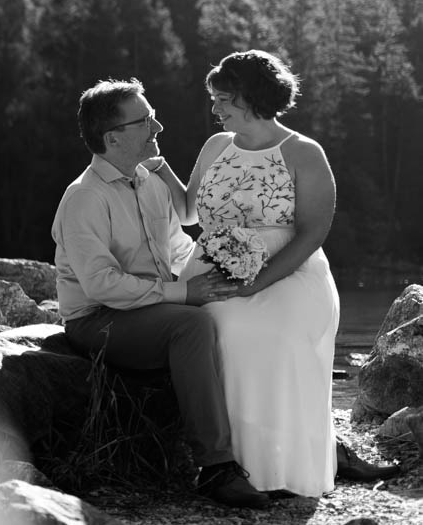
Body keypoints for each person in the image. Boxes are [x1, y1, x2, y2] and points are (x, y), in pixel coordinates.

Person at [145, 49, 358, 497]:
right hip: (215, 267)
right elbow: (188, 212)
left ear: (249, 96)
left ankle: (281, 470)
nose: (215, 108)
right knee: (215, 330)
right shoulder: (216, 146)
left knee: (272, 335)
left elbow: (312, 232)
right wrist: (160, 166)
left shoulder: (303, 153)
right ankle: (227, 466)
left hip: (289, 270)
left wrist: (260, 281)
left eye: (222, 98)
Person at [52, 78, 271, 509]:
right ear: (113, 137)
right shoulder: (83, 199)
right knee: (191, 325)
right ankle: (215, 468)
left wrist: (222, 267)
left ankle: (268, 451)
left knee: (241, 312)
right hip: (98, 319)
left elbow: (177, 247)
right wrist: (182, 293)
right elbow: (102, 285)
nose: (158, 127)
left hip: (145, 309)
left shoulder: (149, 184)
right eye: (146, 120)